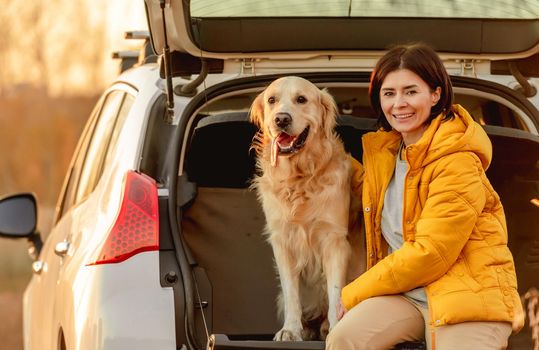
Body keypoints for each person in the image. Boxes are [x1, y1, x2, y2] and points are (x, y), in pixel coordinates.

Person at [326, 43, 524, 350]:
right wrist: (313, 152)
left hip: (467, 297)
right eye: (389, 93)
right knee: (344, 338)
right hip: (408, 296)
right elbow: (361, 187)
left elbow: (431, 253)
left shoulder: (457, 159)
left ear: (435, 94)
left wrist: (354, 292)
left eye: (410, 91)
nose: (399, 103)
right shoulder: (387, 155)